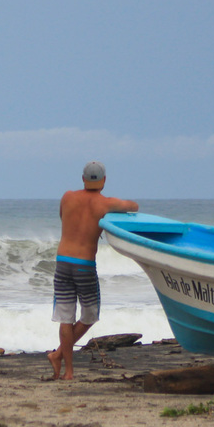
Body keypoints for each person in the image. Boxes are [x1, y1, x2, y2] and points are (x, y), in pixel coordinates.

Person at [48, 161, 138, 380]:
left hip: (62, 261)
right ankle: (59, 355)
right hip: (84, 265)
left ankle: (66, 368)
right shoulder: (105, 204)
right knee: (89, 315)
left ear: (82, 178)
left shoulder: (67, 197)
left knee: (65, 317)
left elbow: (64, 219)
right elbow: (133, 206)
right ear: (104, 180)